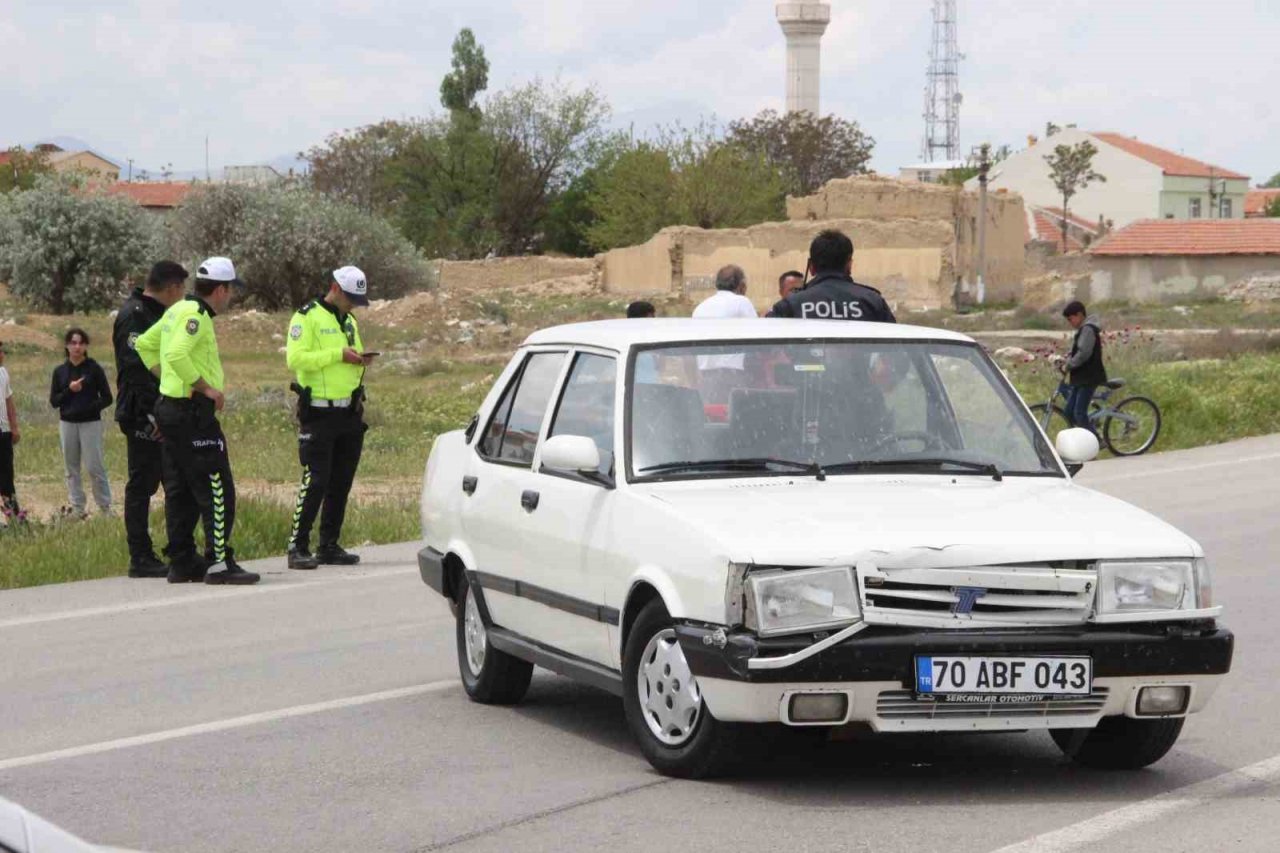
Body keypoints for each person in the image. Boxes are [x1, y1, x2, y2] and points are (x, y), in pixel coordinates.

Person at [135, 257, 259, 585]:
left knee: (180, 488)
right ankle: (218, 561)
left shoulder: (177, 309)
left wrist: (167, 383)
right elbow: (176, 353)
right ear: (220, 289)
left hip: (171, 409)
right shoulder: (195, 315)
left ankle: (181, 560)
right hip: (191, 414)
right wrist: (205, 389)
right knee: (217, 485)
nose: (231, 296)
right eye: (231, 289)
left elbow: (145, 345)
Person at [284, 266, 375, 570]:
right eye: (350, 297)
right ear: (334, 288)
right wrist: (337, 355)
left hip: (348, 412)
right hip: (319, 413)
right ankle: (298, 546)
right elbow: (296, 359)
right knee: (316, 479)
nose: (353, 304)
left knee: (341, 481)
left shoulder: (349, 320)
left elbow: (352, 354)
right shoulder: (306, 317)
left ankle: (329, 544)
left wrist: (361, 361)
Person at [113, 261, 188, 577]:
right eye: (182, 290)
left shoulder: (159, 313)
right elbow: (135, 372)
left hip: (164, 410)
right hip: (143, 413)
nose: (184, 296)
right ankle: (140, 556)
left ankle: (177, 549)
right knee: (142, 484)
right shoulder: (135, 315)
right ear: (171, 288)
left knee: (171, 481)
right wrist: (151, 414)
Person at [49, 328, 113, 518]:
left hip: (90, 424)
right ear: (67, 346)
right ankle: (77, 507)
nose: (77, 347)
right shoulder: (60, 372)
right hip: (67, 424)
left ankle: (105, 508)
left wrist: (91, 407)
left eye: (81, 343)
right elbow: (54, 401)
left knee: (95, 466)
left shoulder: (94, 369)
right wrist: (69, 390)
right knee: (71, 468)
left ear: (86, 346)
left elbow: (108, 397)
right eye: (73, 343)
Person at [766, 230, 896, 322]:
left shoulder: (790, 305)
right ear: (849, 265)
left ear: (811, 267)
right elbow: (895, 349)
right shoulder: (872, 302)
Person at [691, 265, 757, 404]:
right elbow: (757, 334)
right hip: (733, 374)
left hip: (705, 376)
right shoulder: (741, 302)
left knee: (712, 416)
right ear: (742, 286)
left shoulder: (700, 307)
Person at [1061, 301, 1106, 434]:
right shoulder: (1084, 330)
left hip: (1089, 377)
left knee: (1079, 413)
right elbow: (1078, 351)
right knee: (1068, 413)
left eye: (1071, 319)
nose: (1070, 322)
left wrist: (1068, 365)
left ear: (1079, 315)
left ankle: (1096, 441)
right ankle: (1079, 441)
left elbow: (1084, 353)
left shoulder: (1088, 329)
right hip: (1080, 377)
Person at [0, 340, 21, 521]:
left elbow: (9, 401)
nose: (2, 355)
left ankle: (14, 517)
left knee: (6, 476)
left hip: (4, 432)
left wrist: (14, 427)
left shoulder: (3, 373)